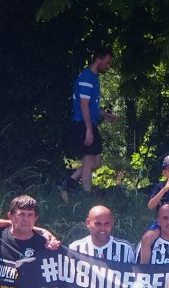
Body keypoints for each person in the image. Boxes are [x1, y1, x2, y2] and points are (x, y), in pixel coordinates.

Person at [64, 46, 117, 193]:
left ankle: (68, 183)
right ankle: (86, 194)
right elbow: (83, 105)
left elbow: (90, 106)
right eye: (107, 62)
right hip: (83, 123)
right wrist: (88, 129)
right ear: (99, 60)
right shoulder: (87, 77)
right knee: (89, 161)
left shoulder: (93, 78)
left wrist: (104, 114)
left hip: (88, 123)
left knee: (96, 162)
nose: (108, 66)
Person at [69, 205, 136, 263]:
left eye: (106, 224)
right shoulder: (75, 248)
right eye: (98, 224)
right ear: (88, 223)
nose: (103, 228)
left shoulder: (126, 249)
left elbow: (139, 271)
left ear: (112, 222)